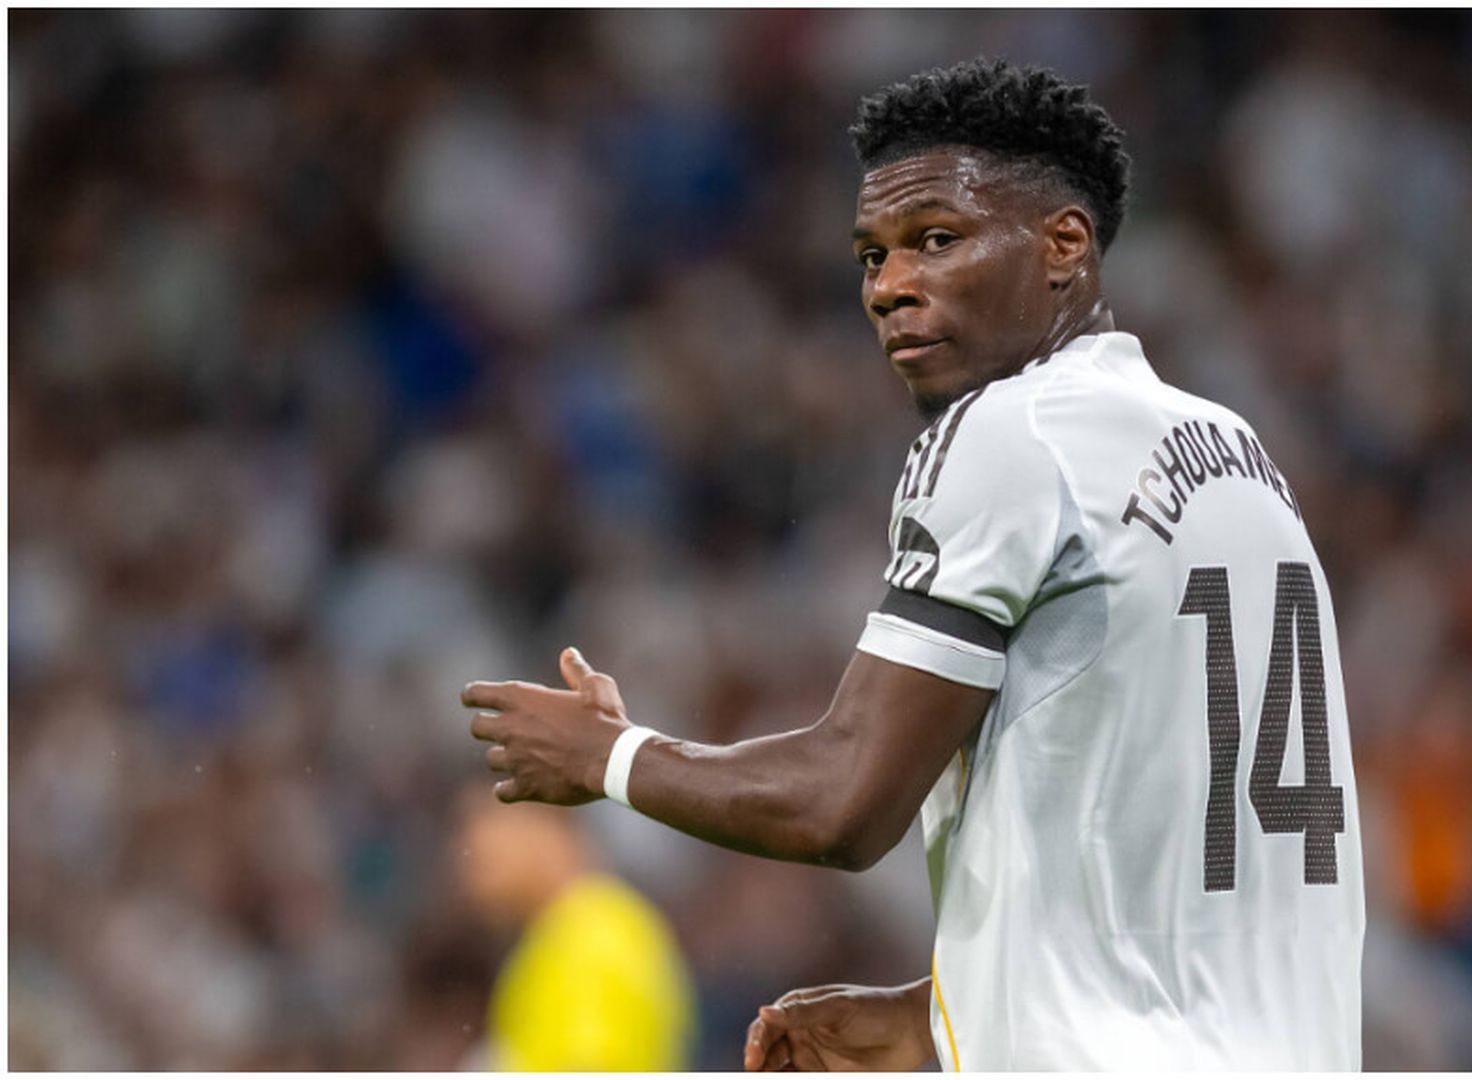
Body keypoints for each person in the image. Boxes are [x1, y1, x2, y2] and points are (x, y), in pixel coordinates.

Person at [461, 57, 1364, 1071]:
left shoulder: (1011, 431)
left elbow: (845, 801)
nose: (890, 286)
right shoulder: (1243, 459)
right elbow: (1174, 861)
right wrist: (948, 1012)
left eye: (937, 240)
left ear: (1065, 244)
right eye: (872, 254)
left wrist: (608, 759)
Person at [450, 790, 696, 1070]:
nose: (465, 863)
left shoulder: (595, 938)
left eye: (485, 849)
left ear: (543, 821)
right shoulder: (563, 937)